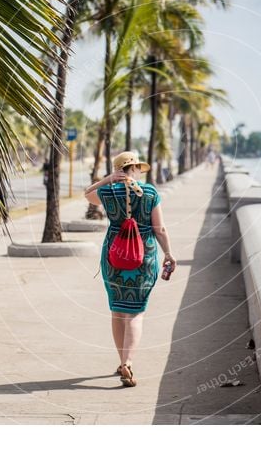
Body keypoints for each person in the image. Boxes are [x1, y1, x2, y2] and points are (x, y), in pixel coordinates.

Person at [84, 151, 177, 387]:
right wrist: (168, 253)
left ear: (117, 170)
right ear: (134, 168)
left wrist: (107, 179)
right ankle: (128, 362)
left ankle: (121, 361)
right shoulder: (150, 192)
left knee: (117, 310)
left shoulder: (106, 192)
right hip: (143, 258)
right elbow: (160, 229)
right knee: (135, 312)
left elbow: (88, 195)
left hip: (113, 257)